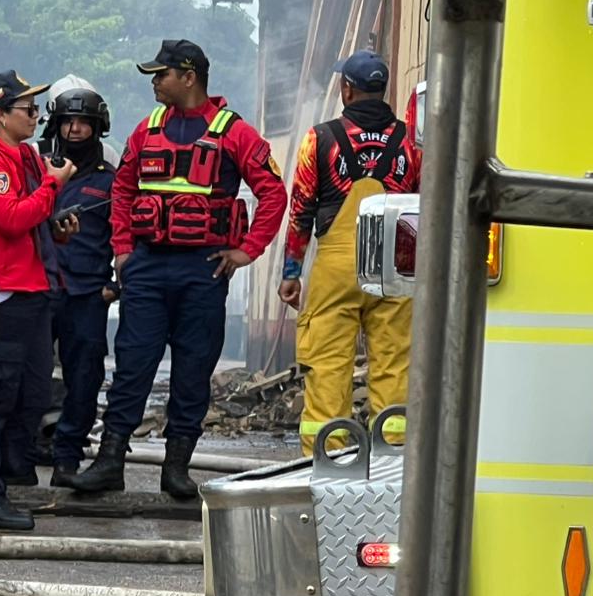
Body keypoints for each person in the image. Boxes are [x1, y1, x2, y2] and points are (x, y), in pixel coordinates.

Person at [69, 39, 287, 499]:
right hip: (147, 267)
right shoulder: (145, 130)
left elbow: (273, 193)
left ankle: (177, 468)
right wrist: (124, 250)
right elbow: (123, 191)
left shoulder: (234, 133)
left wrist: (247, 251)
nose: (154, 81)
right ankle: (110, 461)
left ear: (188, 77)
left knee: (192, 369)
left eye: (161, 74)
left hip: (203, 270)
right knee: (132, 364)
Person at [278, 49, 421, 455]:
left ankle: (326, 457)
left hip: (337, 266)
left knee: (326, 363)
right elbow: (424, 201)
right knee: (395, 362)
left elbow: (301, 209)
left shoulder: (320, 138)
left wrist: (292, 273)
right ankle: (394, 452)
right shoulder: (411, 141)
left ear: (347, 89)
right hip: (395, 264)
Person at [0, 70, 76, 530]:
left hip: (26, 289)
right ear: (0, 115)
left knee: (28, 393)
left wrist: (55, 223)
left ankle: (1, 483)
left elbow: (29, 222)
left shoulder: (21, 157)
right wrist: (53, 186)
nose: (36, 117)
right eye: (27, 109)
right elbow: (10, 217)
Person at [36, 81, 118, 488]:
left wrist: (116, 285)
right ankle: (18, 454)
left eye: (83, 123)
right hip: (37, 287)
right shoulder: (35, 168)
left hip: (87, 293)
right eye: (67, 122)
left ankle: (66, 457)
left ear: (97, 127)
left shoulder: (110, 179)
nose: (74, 131)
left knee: (84, 377)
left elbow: (125, 236)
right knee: (25, 374)